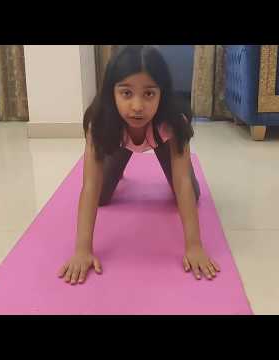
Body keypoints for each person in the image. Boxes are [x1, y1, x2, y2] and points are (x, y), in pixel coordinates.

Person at [57, 45, 220, 285]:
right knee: (101, 196)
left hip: (160, 140)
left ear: (161, 93)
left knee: (190, 195)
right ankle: (120, 165)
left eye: (149, 94)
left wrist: (194, 246)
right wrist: (82, 250)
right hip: (119, 141)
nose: (137, 106)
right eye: (126, 93)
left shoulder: (173, 122)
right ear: (111, 93)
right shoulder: (100, 121)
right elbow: (90, 184)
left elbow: (183, 181)